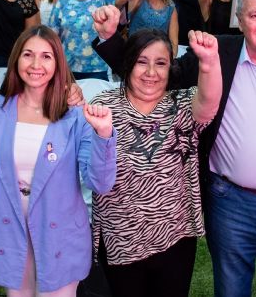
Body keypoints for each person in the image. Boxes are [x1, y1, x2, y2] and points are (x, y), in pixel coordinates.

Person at [91, 0, 256, 297]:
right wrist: (109, 38)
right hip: (232, 204)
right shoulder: (218, 52)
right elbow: (154, 75)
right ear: (239, 18)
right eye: (255, 15)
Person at [0, 25, 117, 296]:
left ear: (58, 63)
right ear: (16, 59)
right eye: (28, 55)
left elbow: (100, 183)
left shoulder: (75, 115)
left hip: (60, 235)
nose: (36, 64)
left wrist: (104, 134)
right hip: (10, 231)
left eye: (46, 56)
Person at [90, 29, 222, 297]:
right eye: (141, 61)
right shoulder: (103, 106)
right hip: (120, 239)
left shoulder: (182, 104)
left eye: (160, 63)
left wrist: (208, 63)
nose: (151, 71)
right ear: (128, 63)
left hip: (174, 237)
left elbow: (208, 103)